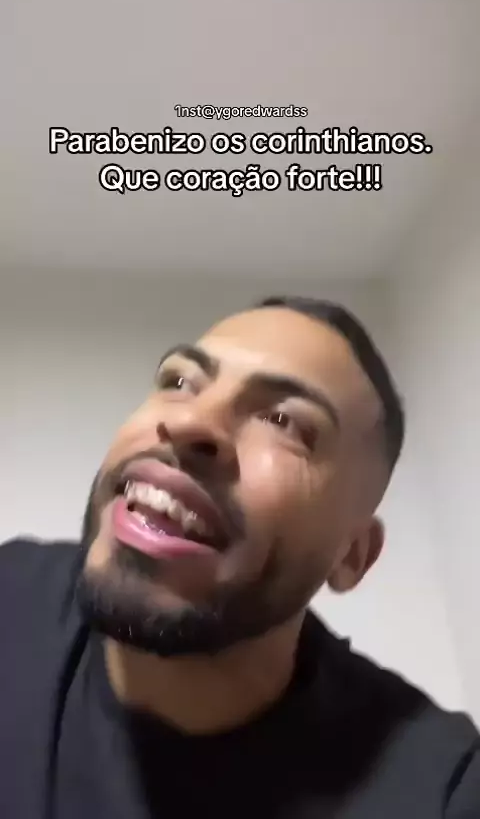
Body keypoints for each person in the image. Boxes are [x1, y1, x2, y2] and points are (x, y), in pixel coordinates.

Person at [1, 296, 478, 819]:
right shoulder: (11, 591)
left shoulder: (442, 789)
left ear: (351, 556)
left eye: (283, 420)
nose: (190, 422)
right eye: (179, 382)